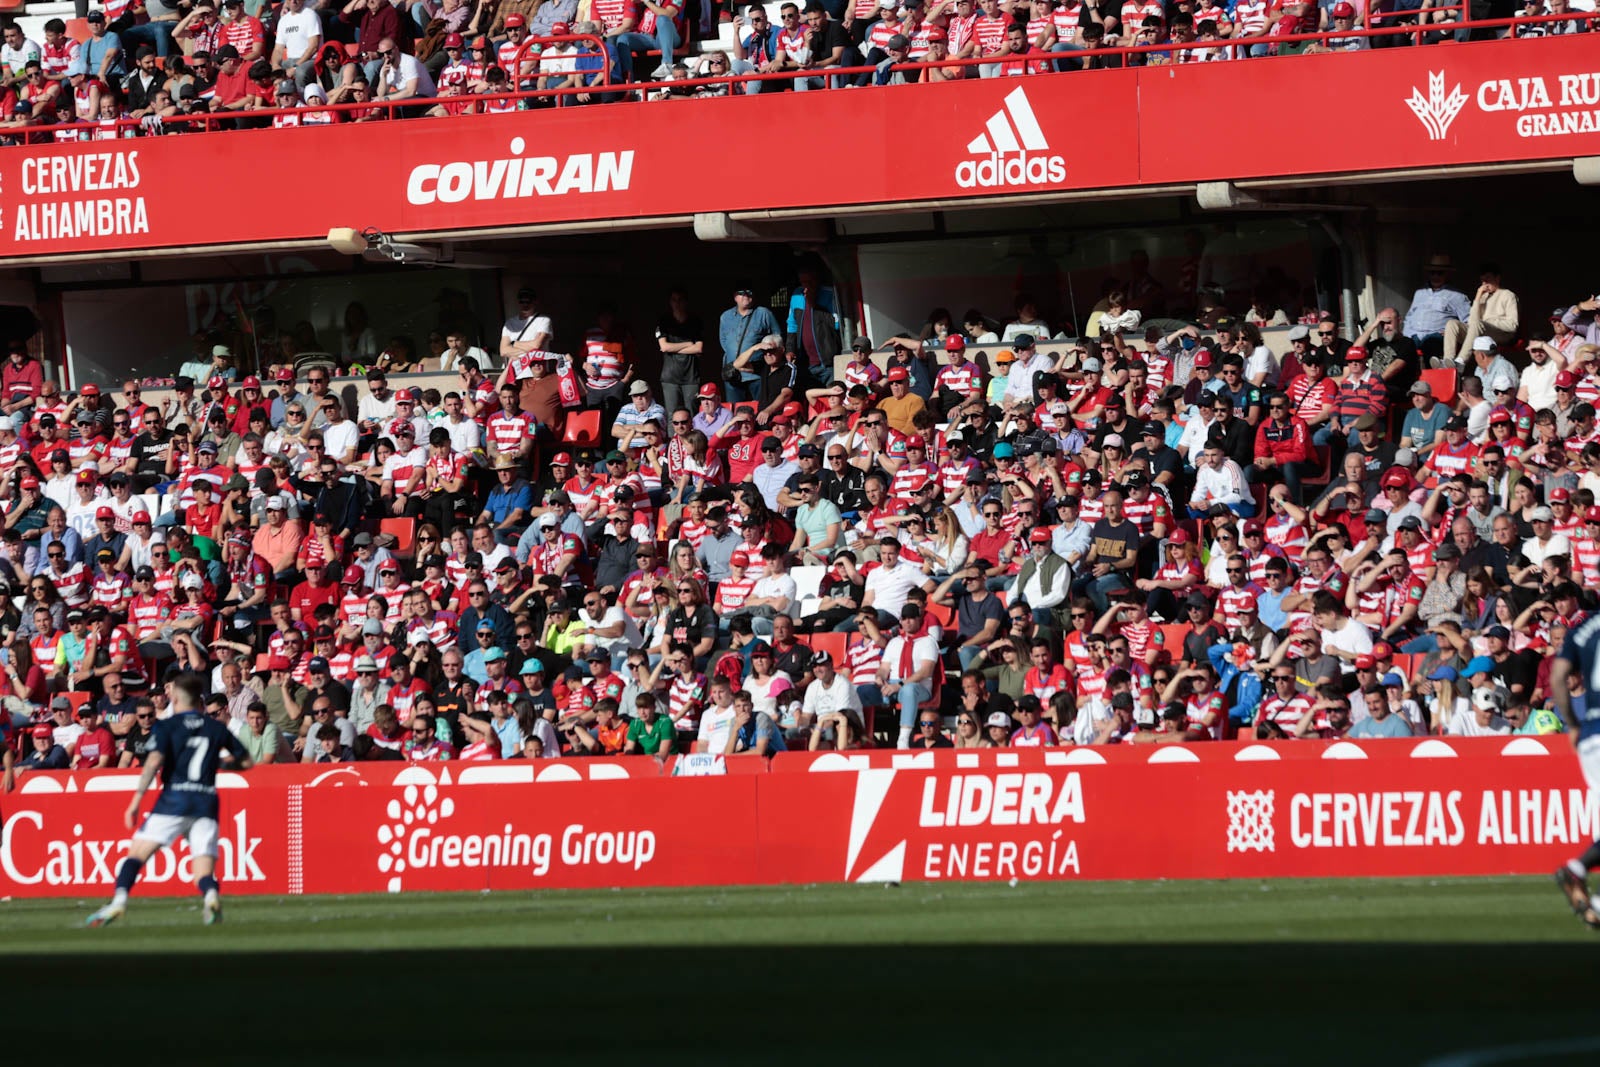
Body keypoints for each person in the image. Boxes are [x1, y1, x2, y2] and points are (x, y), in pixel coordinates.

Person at [85, 672, 253, 928]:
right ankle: (210, 897)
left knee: (137, 854)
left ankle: (118, 902)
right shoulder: (216, 727)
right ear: (199, 700)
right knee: (203, 872)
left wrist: (136, 801)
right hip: (206, 802)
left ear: (174, 697)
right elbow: (247, 762)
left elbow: (153, 761)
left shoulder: (166, 726)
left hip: (174, 800)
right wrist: (217, 763)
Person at [1552, 613, 1600, 929]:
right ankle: (1576, 869)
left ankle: (1595, 906)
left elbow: (1557, 677)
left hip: (1591, 735)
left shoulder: (1582, 629)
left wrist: (1571, 722)